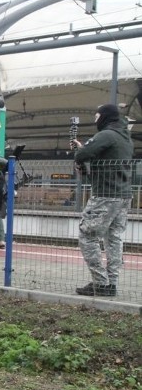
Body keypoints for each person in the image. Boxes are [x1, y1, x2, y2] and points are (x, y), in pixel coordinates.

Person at [71, 103, 134, 297]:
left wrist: (81, 150)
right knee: (114, 239)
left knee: (87, 236)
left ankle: (100, 282)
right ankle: (112, 283)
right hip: (123, 196)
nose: (95, 120)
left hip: (105, 195)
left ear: (105, 117)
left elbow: (82, 154)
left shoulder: (106, 135)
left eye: (97, 117)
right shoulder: (125, 138)